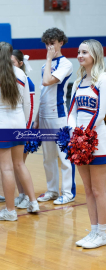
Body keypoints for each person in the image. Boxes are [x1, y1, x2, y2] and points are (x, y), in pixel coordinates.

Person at [68, 39, 106, 249]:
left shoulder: (103, 79)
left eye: (84, 52)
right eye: (78, 52)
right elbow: (72, 112)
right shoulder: (78, 82)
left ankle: (102, 234)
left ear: (94, 55)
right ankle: (93, 231)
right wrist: (73, 134)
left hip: (97, 140)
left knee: (98, 190)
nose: (80, 55)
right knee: (86, 190)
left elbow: (100, 113)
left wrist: (85, 135)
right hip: (79, 140)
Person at [33, 28, 76, 204]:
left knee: (64, 156)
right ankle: (52, 190)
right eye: (47, 43)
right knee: (48, 157)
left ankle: (67, 193)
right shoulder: (46, 65)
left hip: (58, 115)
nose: (49, 46)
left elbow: (47, 81)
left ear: (61, 42)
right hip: (44, 115)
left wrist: (49, 59)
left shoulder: (66, 64)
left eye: (53, 43)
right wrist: (37, 117)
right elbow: (43, 91)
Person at [0, 42, 39, 221]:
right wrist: (26, 125)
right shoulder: (20, 73)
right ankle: (33, 202)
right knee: (19, 164)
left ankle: (10, 211)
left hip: (2, 125)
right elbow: (27, 104)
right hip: (19, 123)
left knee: (6, 168)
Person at [11, 50, 35, 209]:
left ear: (20, 63)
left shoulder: (27, 81)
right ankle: (21, 195)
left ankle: (28, 197)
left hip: (25, 128)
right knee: (14, 166)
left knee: (20, 165)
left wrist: (27, 131)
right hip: (15, 127)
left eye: (12, 63)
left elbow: (30, 107)